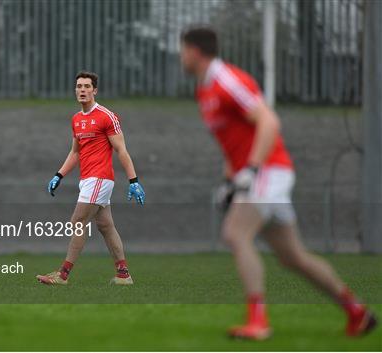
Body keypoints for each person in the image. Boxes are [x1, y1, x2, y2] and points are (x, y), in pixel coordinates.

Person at [180, 26, 377, 340]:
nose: (181, 57)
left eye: (182, 50)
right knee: (293, 257)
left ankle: (258, 322)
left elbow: (269, 121)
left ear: (194, 51)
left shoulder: (226, 80)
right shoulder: (203, 90)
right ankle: (357, 312)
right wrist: (229, 183)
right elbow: (232, 143)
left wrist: (252, 171)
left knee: (235, 234)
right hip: (261, 175)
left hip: (269, 171)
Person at [36, 71, 145, 285]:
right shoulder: (76, 119)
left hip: (100, 178)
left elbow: (121, 150)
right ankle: (123, 275)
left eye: (87, 86)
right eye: (79, 86)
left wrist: (134, 181)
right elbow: (75, 152)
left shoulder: (106, 116)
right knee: (105, 226)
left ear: (94, 90)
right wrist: (59, 175)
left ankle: (63, 275)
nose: (82, 90)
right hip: (87, 180)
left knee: (77, 222)